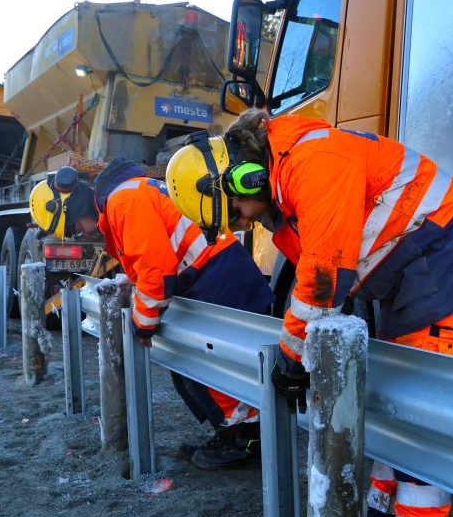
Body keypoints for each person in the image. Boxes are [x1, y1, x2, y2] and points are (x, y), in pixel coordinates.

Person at [166, 111, 453, 517]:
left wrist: (293, 351)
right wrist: (300, 345)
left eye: (236, 208)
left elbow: (324, 273)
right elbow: (321, 276)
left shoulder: (312, 160)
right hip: (407, 267)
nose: (242, 220)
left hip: (440, 259)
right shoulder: (282, 189)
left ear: (245, 176)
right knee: (393, 403)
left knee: (421, 413)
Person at [28, 162, 275, 469]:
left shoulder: (123, 201)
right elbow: (147, 263)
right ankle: (232, 433)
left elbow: (156, 272)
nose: (82, 234)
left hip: (217, 275)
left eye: (77, 227)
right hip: (211, 272)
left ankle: (247, 438)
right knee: (190, 369)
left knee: (210, 369)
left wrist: (142, 326)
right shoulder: (123, 197)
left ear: (75, 205)